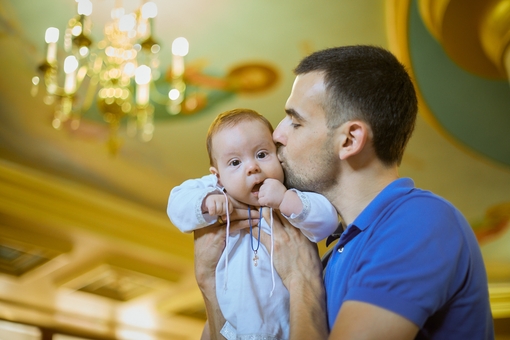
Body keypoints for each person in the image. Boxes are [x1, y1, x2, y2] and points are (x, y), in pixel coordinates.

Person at [193, 45, 494, 339]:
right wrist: (208, 284)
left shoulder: (420, 221)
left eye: (295, 122)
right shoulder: (333, 251)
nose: (276, 134)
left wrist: (302, 280)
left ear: (349, 140)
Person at [167, 108, 338, 340]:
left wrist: (286, 200)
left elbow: (327, 220)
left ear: (278, 155)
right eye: (235, 162)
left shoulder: (290, 193)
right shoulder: (218, 190)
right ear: (218, 176)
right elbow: (176, 203)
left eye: (261, 154)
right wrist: (206, 202)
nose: (252, 167)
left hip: (289, 326)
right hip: (233, 330)